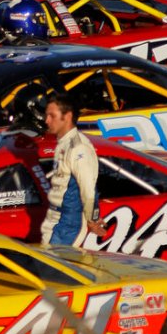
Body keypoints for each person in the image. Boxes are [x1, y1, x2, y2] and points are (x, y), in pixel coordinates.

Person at [40, 94, 107, 246]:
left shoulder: (78, 148)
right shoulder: (64, 143)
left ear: (68, 116)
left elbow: (88, 190)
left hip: (68, 223)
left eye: (52, 116)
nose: (47, 121)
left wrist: (92, 219)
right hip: (57, 218)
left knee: (53, 268)